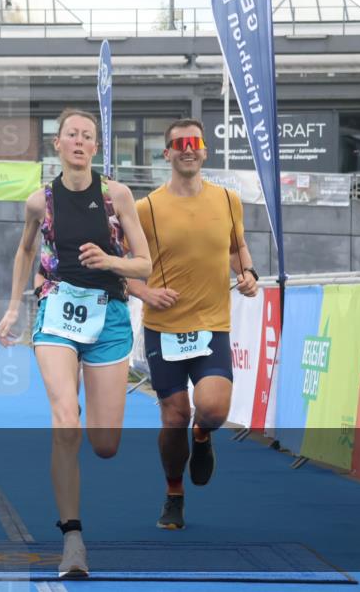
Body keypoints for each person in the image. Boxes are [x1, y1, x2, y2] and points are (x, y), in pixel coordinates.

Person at [0, 109, 152, 578]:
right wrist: (13, 307)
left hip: (110, 317)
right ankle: (72, 539)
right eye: (72, 135)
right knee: (66, 421)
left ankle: (82, 411)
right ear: (58, 144)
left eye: (88, 136)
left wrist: (110, 261)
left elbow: (144, 264)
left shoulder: (117, 196)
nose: (80, 142)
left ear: (96, 147)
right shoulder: (39, 202)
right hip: (57, 313)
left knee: (104, 444)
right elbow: (25, 249)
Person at [125, 118, 258, 531]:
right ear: (166, 153)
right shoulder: (146, 209)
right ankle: (174, 493)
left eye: (194, 143)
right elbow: (122, 267)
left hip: (212, 323)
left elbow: (237, 246)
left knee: (213, 409)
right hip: (163, 328)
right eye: (179, 144)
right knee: (174, 417)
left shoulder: (228, 200)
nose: (188, 150)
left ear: (204, 151)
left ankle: (203, 435)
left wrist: (248, 272)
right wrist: (145, 293)